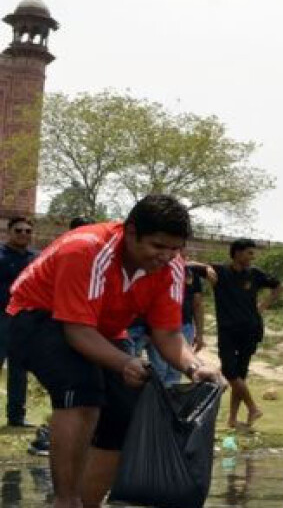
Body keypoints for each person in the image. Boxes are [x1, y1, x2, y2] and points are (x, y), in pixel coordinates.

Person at [5, 195, 221, 508]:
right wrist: (125, 362)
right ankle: (66, 501)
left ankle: (87, 502)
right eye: (158, 246)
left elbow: (168, 334)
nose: (166, 256)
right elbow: (76, 331)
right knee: (82, 391)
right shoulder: (87, 249)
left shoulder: (171, 267)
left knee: (126, 412)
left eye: (175, 249)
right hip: (35, 317)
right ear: (131, 232)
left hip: (99, 329)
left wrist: (194, 367)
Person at [205, 238, 283, 428]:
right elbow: (191, 265)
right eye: (249, 253)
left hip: (251, 329)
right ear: (237, 253)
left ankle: (232, 419)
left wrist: (262, 306)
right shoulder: (220, 271)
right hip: (227, 330)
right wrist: (205, 268)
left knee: (240, 374)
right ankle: (253, 408)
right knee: (229, 371)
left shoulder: (255, 274)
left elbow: (278, 286)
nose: (252, 257)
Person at [127, 264, 206, 385]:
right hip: (150, 327)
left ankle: (164, 395)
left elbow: (197, 303)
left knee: (170, 372)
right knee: (152, 369)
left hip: (180, 326)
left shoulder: (189, 272)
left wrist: (199, 334)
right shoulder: (155, 269)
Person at [0, 217, 37, 427]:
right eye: (19, 230)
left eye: (28, 231)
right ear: (9, 232)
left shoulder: (37, 258)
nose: (23, 234)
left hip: (24, 320)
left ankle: (16, 417)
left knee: (19, 369)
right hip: (1, 317)